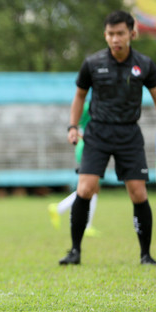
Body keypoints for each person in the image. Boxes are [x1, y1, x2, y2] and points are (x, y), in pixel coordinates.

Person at [59, 10, 156, 266]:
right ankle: (75, 251)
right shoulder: (92, 63)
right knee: (85, 188)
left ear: (132, 33)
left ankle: (146, 255)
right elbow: (79, 97)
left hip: (129, 134)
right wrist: (73, 126)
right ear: (105, 35)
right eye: (110, 34)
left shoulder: (145, 65)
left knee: (138, 193)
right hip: (97, 133)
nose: (115, 39)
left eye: (120, 33)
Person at [48, 101, 99, 236]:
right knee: (88, 188)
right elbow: (79, 125)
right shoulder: (90, 106)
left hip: (89, 147)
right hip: (88, 148)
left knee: (92, 188)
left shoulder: (91, 105)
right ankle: (60, 209)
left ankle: (86, 224)